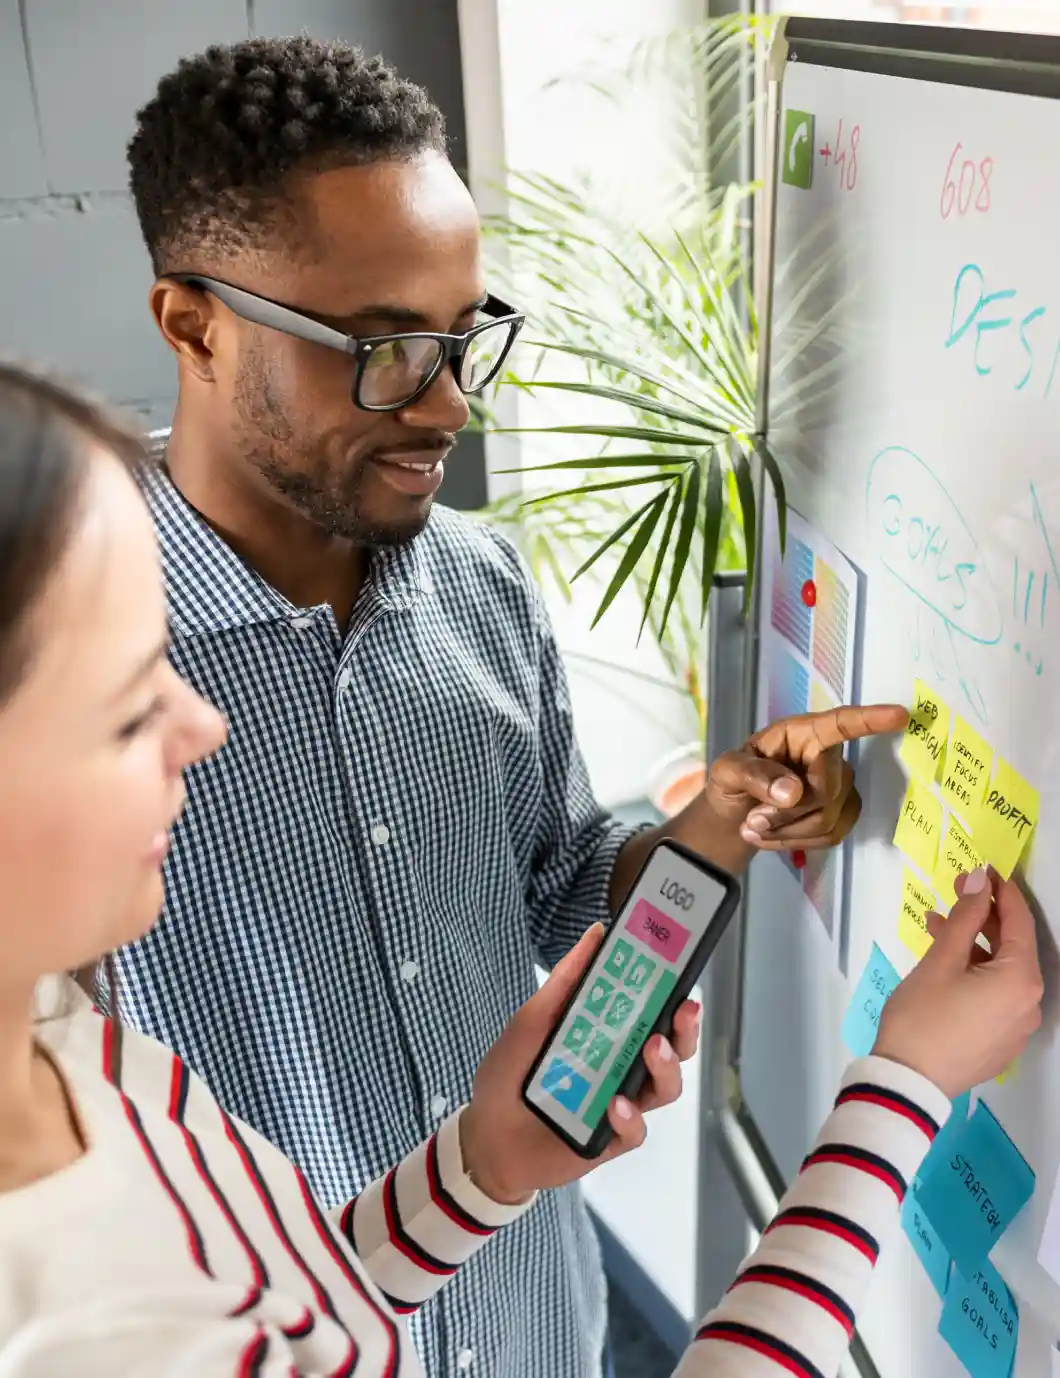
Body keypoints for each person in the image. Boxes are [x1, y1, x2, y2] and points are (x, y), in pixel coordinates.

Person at [115, 35, 910, 1378]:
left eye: (463, 334)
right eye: (377, 351)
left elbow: (555, 876)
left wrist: (715, 819)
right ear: (194, 323)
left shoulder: (478, 582)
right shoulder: (64, 678)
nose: (446, 405)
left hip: (537, 1324)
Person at [0, 360, 1045, 1378]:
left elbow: (301, 1302)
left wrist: (482, 1166)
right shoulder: (83, 1322)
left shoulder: (79, 1051)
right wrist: (897, 1093)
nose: (202, 722)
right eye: (133, 699)